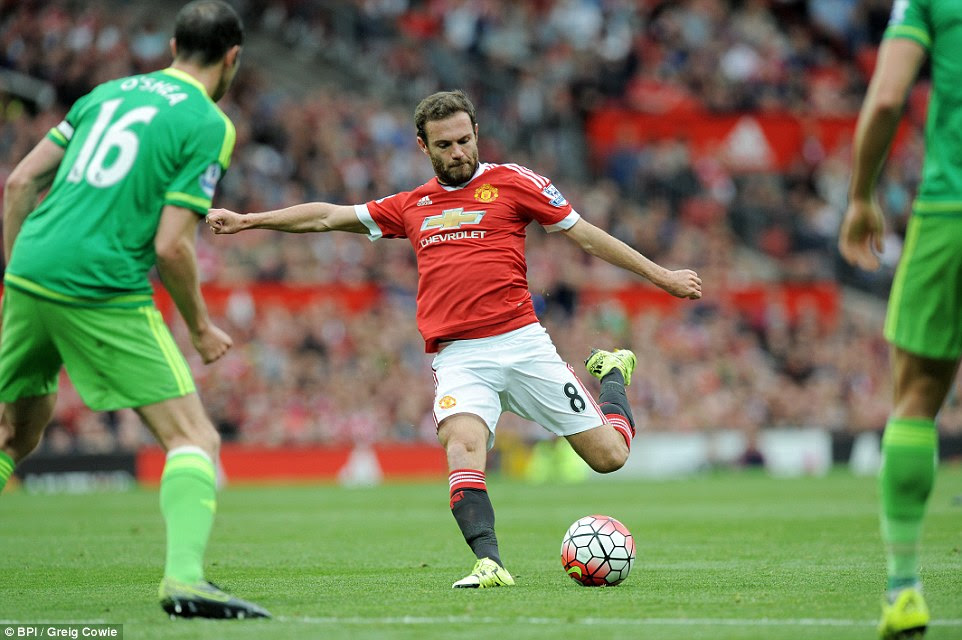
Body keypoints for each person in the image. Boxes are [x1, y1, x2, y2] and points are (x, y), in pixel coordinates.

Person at [208, 90, 702, 588]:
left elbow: (587, 235)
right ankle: (490, 563)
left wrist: (661, 276)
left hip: (523, 343)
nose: (458, 152)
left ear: (477, 136)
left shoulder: (513, 182)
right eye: (445, 145)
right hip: (460, 357)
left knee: (610, 457)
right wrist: (251, 220)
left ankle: (614, 372)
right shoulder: (411, 205)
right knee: (462, 447)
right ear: (424, 147)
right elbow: (327, 216)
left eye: (465, 140)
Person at [0, 0, 269, 620]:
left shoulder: (105, 94)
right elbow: (171, 244)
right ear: (233, 59)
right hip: (100, 283)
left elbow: (19, 184)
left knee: (17, 431)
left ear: (173, 44)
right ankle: (185, 581)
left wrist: (20, 277)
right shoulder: (208, 122)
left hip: (30, 266)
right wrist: (200, 328)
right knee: (194, 436)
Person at [838, 1, 960, 637]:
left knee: (914, 399)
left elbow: (886, 100)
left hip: (950, 212)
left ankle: (904, 587)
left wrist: (861, 196)